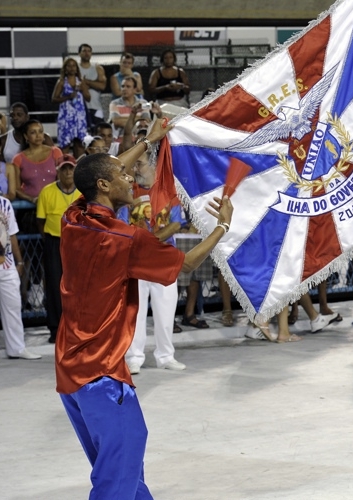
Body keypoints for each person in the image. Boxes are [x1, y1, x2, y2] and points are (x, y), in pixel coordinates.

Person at [56, 119, 233, 498]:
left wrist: (146, 142)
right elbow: (185, 265)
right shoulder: (126, 240)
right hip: (101, 375)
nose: (131, 173)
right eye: (124, 173)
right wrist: (222, 228)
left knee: (125, 471)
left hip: (70, 372)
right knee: (115, 481)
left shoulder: (73, 218)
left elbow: (101, 170)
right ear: (104, 186)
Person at [118, 149, 187, 374]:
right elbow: (122, 226)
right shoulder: (127, 193)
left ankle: (166, 356)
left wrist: (150, 242)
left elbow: (176, 224)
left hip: (164, 260)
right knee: (135, 311)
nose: (135, 169)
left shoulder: (170, 192)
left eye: (140, 164)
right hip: (136, 261)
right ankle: (134, 356)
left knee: (166, 310)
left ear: (155, 166)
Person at [36, 154, 81, 343]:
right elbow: (41, 221)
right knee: (55, 285)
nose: (68, 172)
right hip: (55, 242)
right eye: (64, 169)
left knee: (78, 285)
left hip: (78, 244)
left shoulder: (82, 192)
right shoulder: (47, 191)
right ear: (58, 171)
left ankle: (77, 327)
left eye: (71, 168)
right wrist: (52, 240)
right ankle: (56, 329)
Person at [0, 195, 41, 359]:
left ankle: (16, 348)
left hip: (7, 262)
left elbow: (12, 234)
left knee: (13, 306)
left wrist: (20, 262)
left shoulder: (5, 203)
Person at [11, 120, 63, 204]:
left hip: (54, 204)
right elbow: (16, 189)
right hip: (29, 207)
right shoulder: (18, 159)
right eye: (33, 132)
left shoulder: (55, 152)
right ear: (26, 136)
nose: (38, 135)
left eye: (40, 131)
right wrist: (32, 199)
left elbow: (62, 182)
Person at [52, 57, 90, 157]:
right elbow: (54, 99)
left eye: (74, 66)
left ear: (77, 68)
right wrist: (68, 97)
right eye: (69, 66)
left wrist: (83, 89)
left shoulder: (81, 82)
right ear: (65, 68)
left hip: (79, 117)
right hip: (66, 117)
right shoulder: (61, 82)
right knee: (65, 144)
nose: (72, 68)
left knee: (80, 144)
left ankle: (79, 168)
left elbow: (88, 98)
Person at [78, 43, 107, 131]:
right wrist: (93, 84)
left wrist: (87, 82)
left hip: (96, 107)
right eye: (84, 51)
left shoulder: (98, 68)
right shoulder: (75, 69)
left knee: (99, 132)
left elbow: (102, 86)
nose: (86, 53)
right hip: (80, 108)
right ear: (79, 53)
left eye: (89, 51)